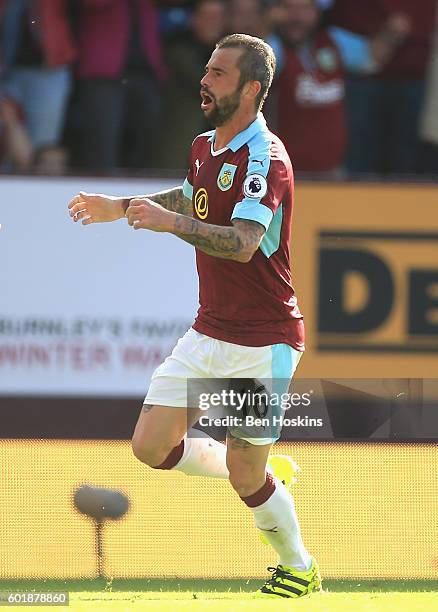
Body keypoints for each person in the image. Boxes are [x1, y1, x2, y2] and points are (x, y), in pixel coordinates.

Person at [68, 34, 321, 599]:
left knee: (246, 477)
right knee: (150, 447)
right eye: (206, 69)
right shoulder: (204, 145)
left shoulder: (267, 158)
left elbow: (243, 243)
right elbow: (190, 196)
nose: (204, 81)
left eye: (219, 74)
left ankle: (299, 566)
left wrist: (168, 224)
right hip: (210, 329)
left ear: (252, 89)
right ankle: (253, 464)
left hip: (264, 340)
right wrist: (123, 208)